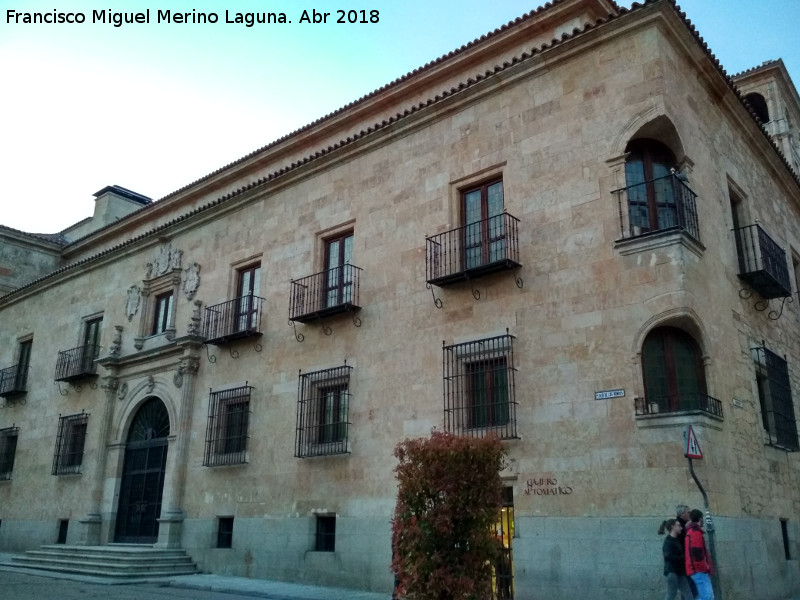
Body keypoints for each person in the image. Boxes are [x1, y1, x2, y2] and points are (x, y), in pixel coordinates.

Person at [659, 518, 694, 600]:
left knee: (688, 595)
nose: (681, 528)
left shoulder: (676, 539)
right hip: (672, 573)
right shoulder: (668, 541)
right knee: (671, 595)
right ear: (673, 527)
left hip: (680, 572)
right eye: (678, 526)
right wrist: (683, 557)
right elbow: (668, 556)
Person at [685, 509, 714, 600]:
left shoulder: (691, 531)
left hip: (696, 569)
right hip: (698, 569)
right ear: (700, 519)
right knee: (707, 597)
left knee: (707, 596)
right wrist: (706, 567)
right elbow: (697, 554)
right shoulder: (695, 532)